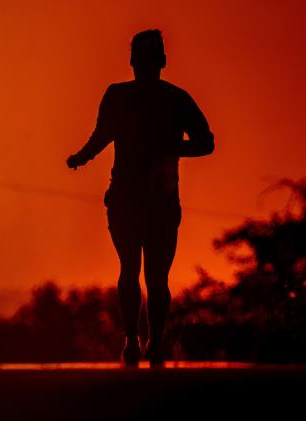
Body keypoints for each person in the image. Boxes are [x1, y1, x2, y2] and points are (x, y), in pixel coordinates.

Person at [66, 29, 214, 367]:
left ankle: (145, 340)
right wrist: (82, 156)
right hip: (133, 200)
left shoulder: (163, 98)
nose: (144, 66)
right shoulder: (157, 98)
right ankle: (141, 340)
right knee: (139, 271)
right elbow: (102, 135)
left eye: (147, 59)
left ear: (157, 61)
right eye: (141, 59)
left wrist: (171, 148)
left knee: (142, 273)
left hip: (151, 200)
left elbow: (206, 142)